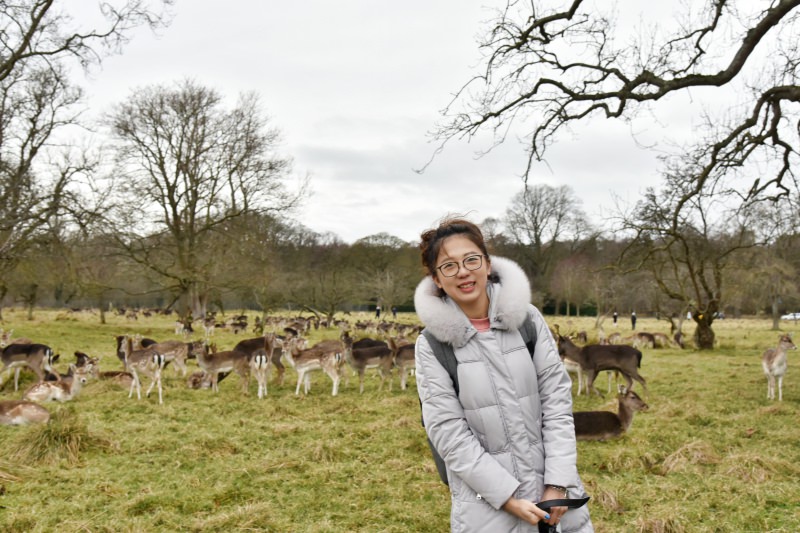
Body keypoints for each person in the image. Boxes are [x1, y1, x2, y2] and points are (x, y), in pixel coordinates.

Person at [414, 217, 592, 532]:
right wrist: (508, 498)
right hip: (488, 512)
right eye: (449, 266)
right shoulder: (431, 346)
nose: (464, 271)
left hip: (556, 504)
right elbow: (448, 433)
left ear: (487, 264)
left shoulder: (528, 320)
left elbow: (557, 402)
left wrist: (559, 483)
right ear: (437, 279)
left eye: (471, 259)